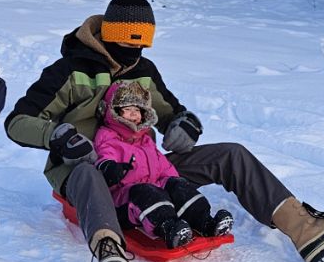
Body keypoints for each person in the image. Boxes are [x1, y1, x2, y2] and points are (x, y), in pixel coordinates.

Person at [4, 0, 324, 262]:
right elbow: (17, 122)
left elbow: (171, 113)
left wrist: (183, 124)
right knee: (87, 172)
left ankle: (306, 229)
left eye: (143, 43)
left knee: (231, 154)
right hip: (88, 172)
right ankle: (110, 256)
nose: (135, 51)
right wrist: (56, 135)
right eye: (129, 41)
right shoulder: (70, 71)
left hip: (143, 172)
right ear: (111, 33)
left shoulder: (143, 72)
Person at [93, 79, 234, 249]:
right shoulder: (107, 136)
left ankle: (205, 223)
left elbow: (163, 166)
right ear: (114, 112)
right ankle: (168, 228)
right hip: (124, 199)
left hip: (154, 190)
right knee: (147, 192)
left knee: (177, 185)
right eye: (127, 110)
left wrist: (176, 187)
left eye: (137, 110)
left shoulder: (145, 138)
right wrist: (109, 168)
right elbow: (104, 156)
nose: (133, 114)